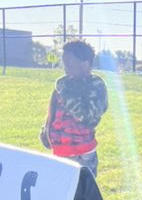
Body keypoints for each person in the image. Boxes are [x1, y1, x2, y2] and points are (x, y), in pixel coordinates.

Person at [40, 40, 108, 177]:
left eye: (69, 62)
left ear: (85, 64)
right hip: (61, 150)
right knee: (62, 192)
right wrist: (47, 131)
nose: (65, 67)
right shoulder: (64, 83)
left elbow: (87, 117)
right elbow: (53, 111)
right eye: (64, 62)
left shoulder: (95, 85)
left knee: (83, 193)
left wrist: (66, 92)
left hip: (83, 152)